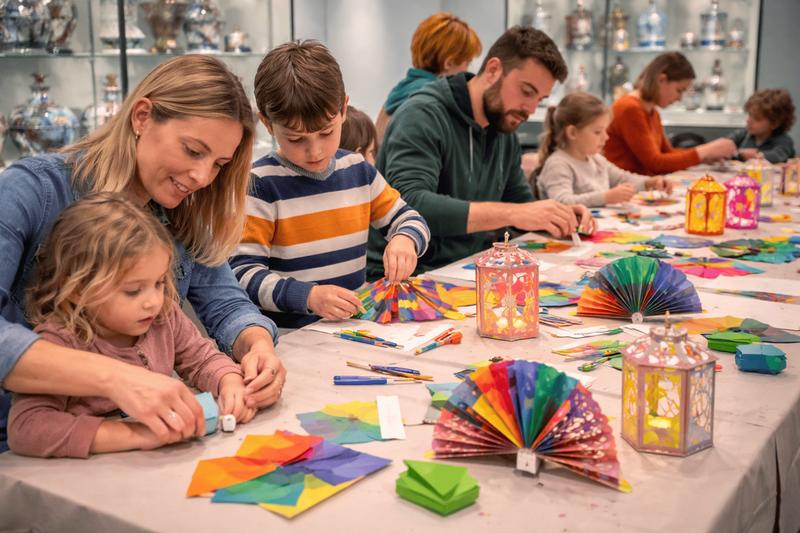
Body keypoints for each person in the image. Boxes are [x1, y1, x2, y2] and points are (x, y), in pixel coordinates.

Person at [0, 55, 284, 453]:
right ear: (142, 117)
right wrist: (114, 378)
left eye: (219, 164)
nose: (203, 178)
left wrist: (257, 349)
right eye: (192, 150)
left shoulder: (181, 207)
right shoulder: (31, 191)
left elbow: (225, 301)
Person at [8, 194, 256, 458]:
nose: (153, 301)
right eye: (133, 290)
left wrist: (229, 382)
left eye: (159, 283)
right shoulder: (58, 344)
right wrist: (138, 434)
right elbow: (27, 428)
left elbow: (202, 359)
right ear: (79, 290)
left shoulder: (163, 316)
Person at [230, 41, 430, 329]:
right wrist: (308, 296)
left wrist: (405, 239)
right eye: (296, 139)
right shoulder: (259, 186)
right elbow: (243, 274)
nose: (315, 152)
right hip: (291, 338)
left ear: (344, 109)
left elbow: (411, 219)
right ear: (267, 124)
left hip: (353, 330)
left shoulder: (359, 171)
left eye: (326, 133)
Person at [367, 26, 596, 275]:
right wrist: (516, 213)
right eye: (526, 92)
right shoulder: (422, 115)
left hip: (464, 271)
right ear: (493, 70)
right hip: (408, 277)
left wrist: (554, 216)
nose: (530, 109)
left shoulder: (502, 127)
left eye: (539, 99)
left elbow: (519, 202)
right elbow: (412, 204)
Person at [604, 52, 737, 175]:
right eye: (679, 90)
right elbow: (655, 163)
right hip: (625, 189)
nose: (679, 98)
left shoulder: (652, 112)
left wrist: (706, 157)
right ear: (662, 80)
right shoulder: (629, 108)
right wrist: (704, 151)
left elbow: (668, 154)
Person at [537, 92, 673, 207]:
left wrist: (649, 182)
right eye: (597, 132)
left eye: (605, 130)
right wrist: (605, 197)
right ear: (572, 132)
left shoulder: (596, 160)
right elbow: (561, 202)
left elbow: (622, 178)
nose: (606, 137)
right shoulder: (558, 164)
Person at [375, 12, 482, 142]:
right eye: (467, 63)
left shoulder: (399, 92)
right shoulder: (433, 99)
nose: (467, 71)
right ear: (449, 63)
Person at [728, 88, 796, 163]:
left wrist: (758, 155)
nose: (748, 120)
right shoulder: (743, 134)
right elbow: (727, 144)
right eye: (749, 115)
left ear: (774, 124)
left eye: (757, 118)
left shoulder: (784, 141)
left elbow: (778, 155)